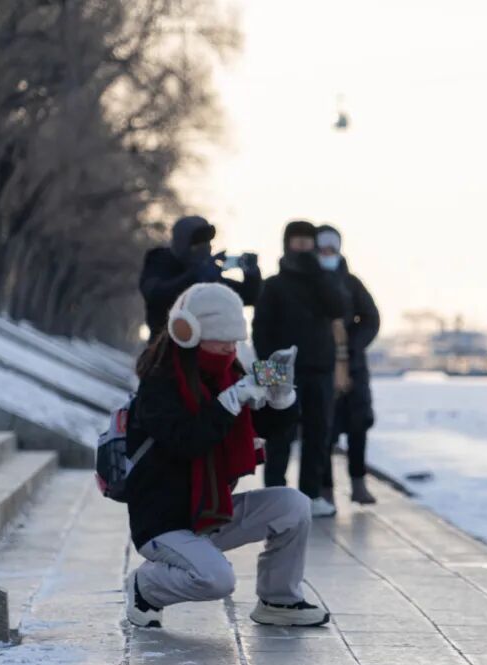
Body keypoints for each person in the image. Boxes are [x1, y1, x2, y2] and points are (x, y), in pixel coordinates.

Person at [123, 282, 329, 629]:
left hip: (210, 511)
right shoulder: (158, 385)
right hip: (164, 523)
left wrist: (281, 399)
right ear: (188, 333)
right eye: (221, 339)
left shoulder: (226, 373)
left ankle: (279, 600)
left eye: (235, 340)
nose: (230, 348)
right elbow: (187, 441)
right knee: (217, 580)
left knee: (293, 505)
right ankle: (145, 586)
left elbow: (258, 425)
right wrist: (230, 401)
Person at [252, 221, 348, 517]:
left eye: (309, 240)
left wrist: (318, 273)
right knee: (280, 435)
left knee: (318, 434)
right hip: (282, 371)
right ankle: (274, 497)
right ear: (287, 243)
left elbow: (339, 307)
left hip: (320, 368)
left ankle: (310, 494)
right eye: (298, 240)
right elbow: (261, 330)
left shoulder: (324, 280)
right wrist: (268, 373)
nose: (304, 246)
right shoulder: (274, 285)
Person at [315, 225, 381, 504]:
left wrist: (350, 343)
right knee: (323, 431)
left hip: (352, 368)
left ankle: (358, 483)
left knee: (358, 426)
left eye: (332, 249)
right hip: (320, 366)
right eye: (323, 249)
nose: (327, 254)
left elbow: (371, 319)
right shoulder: (309, 283)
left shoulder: (352, 283)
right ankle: (325, 489)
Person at [139, 215, 262, 339]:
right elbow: (154, 294)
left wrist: (252, 273)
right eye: (198, 245)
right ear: (183, 244)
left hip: (204, 349)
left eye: (207, 243)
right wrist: (194, 275)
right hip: (165, 346)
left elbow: (247, 297)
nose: (206, 248)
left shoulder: (206, 272)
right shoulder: (160, 262)